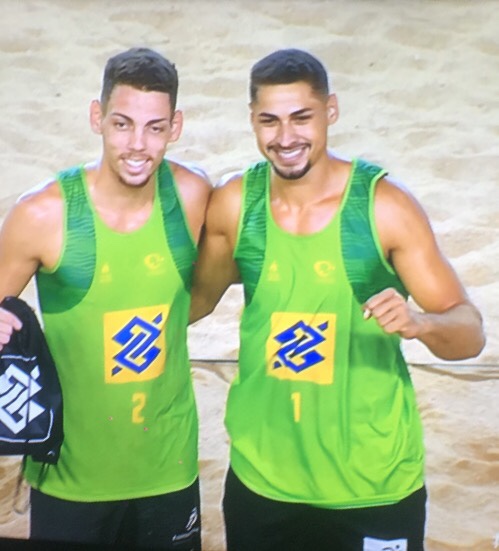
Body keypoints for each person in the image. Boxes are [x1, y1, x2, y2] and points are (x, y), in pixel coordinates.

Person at [189, 48, 485, 551]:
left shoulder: (385, 207)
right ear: (252, 120)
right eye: (270, 121)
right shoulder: (236, 204)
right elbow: (191, 304)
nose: (286, 137)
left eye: (301, 117)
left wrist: (421, 324)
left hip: (372, 484)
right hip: (263, 481)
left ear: (331, 111)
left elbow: (470, 334)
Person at [0, 47, 211, 549]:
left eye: (154, 128)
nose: (137, 145)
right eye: (122, 124)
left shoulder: (193, 196)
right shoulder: (42, 215)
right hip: (70, 479)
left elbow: (211, 291)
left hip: (169, 470)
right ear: (97, 118)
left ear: (176, 127)